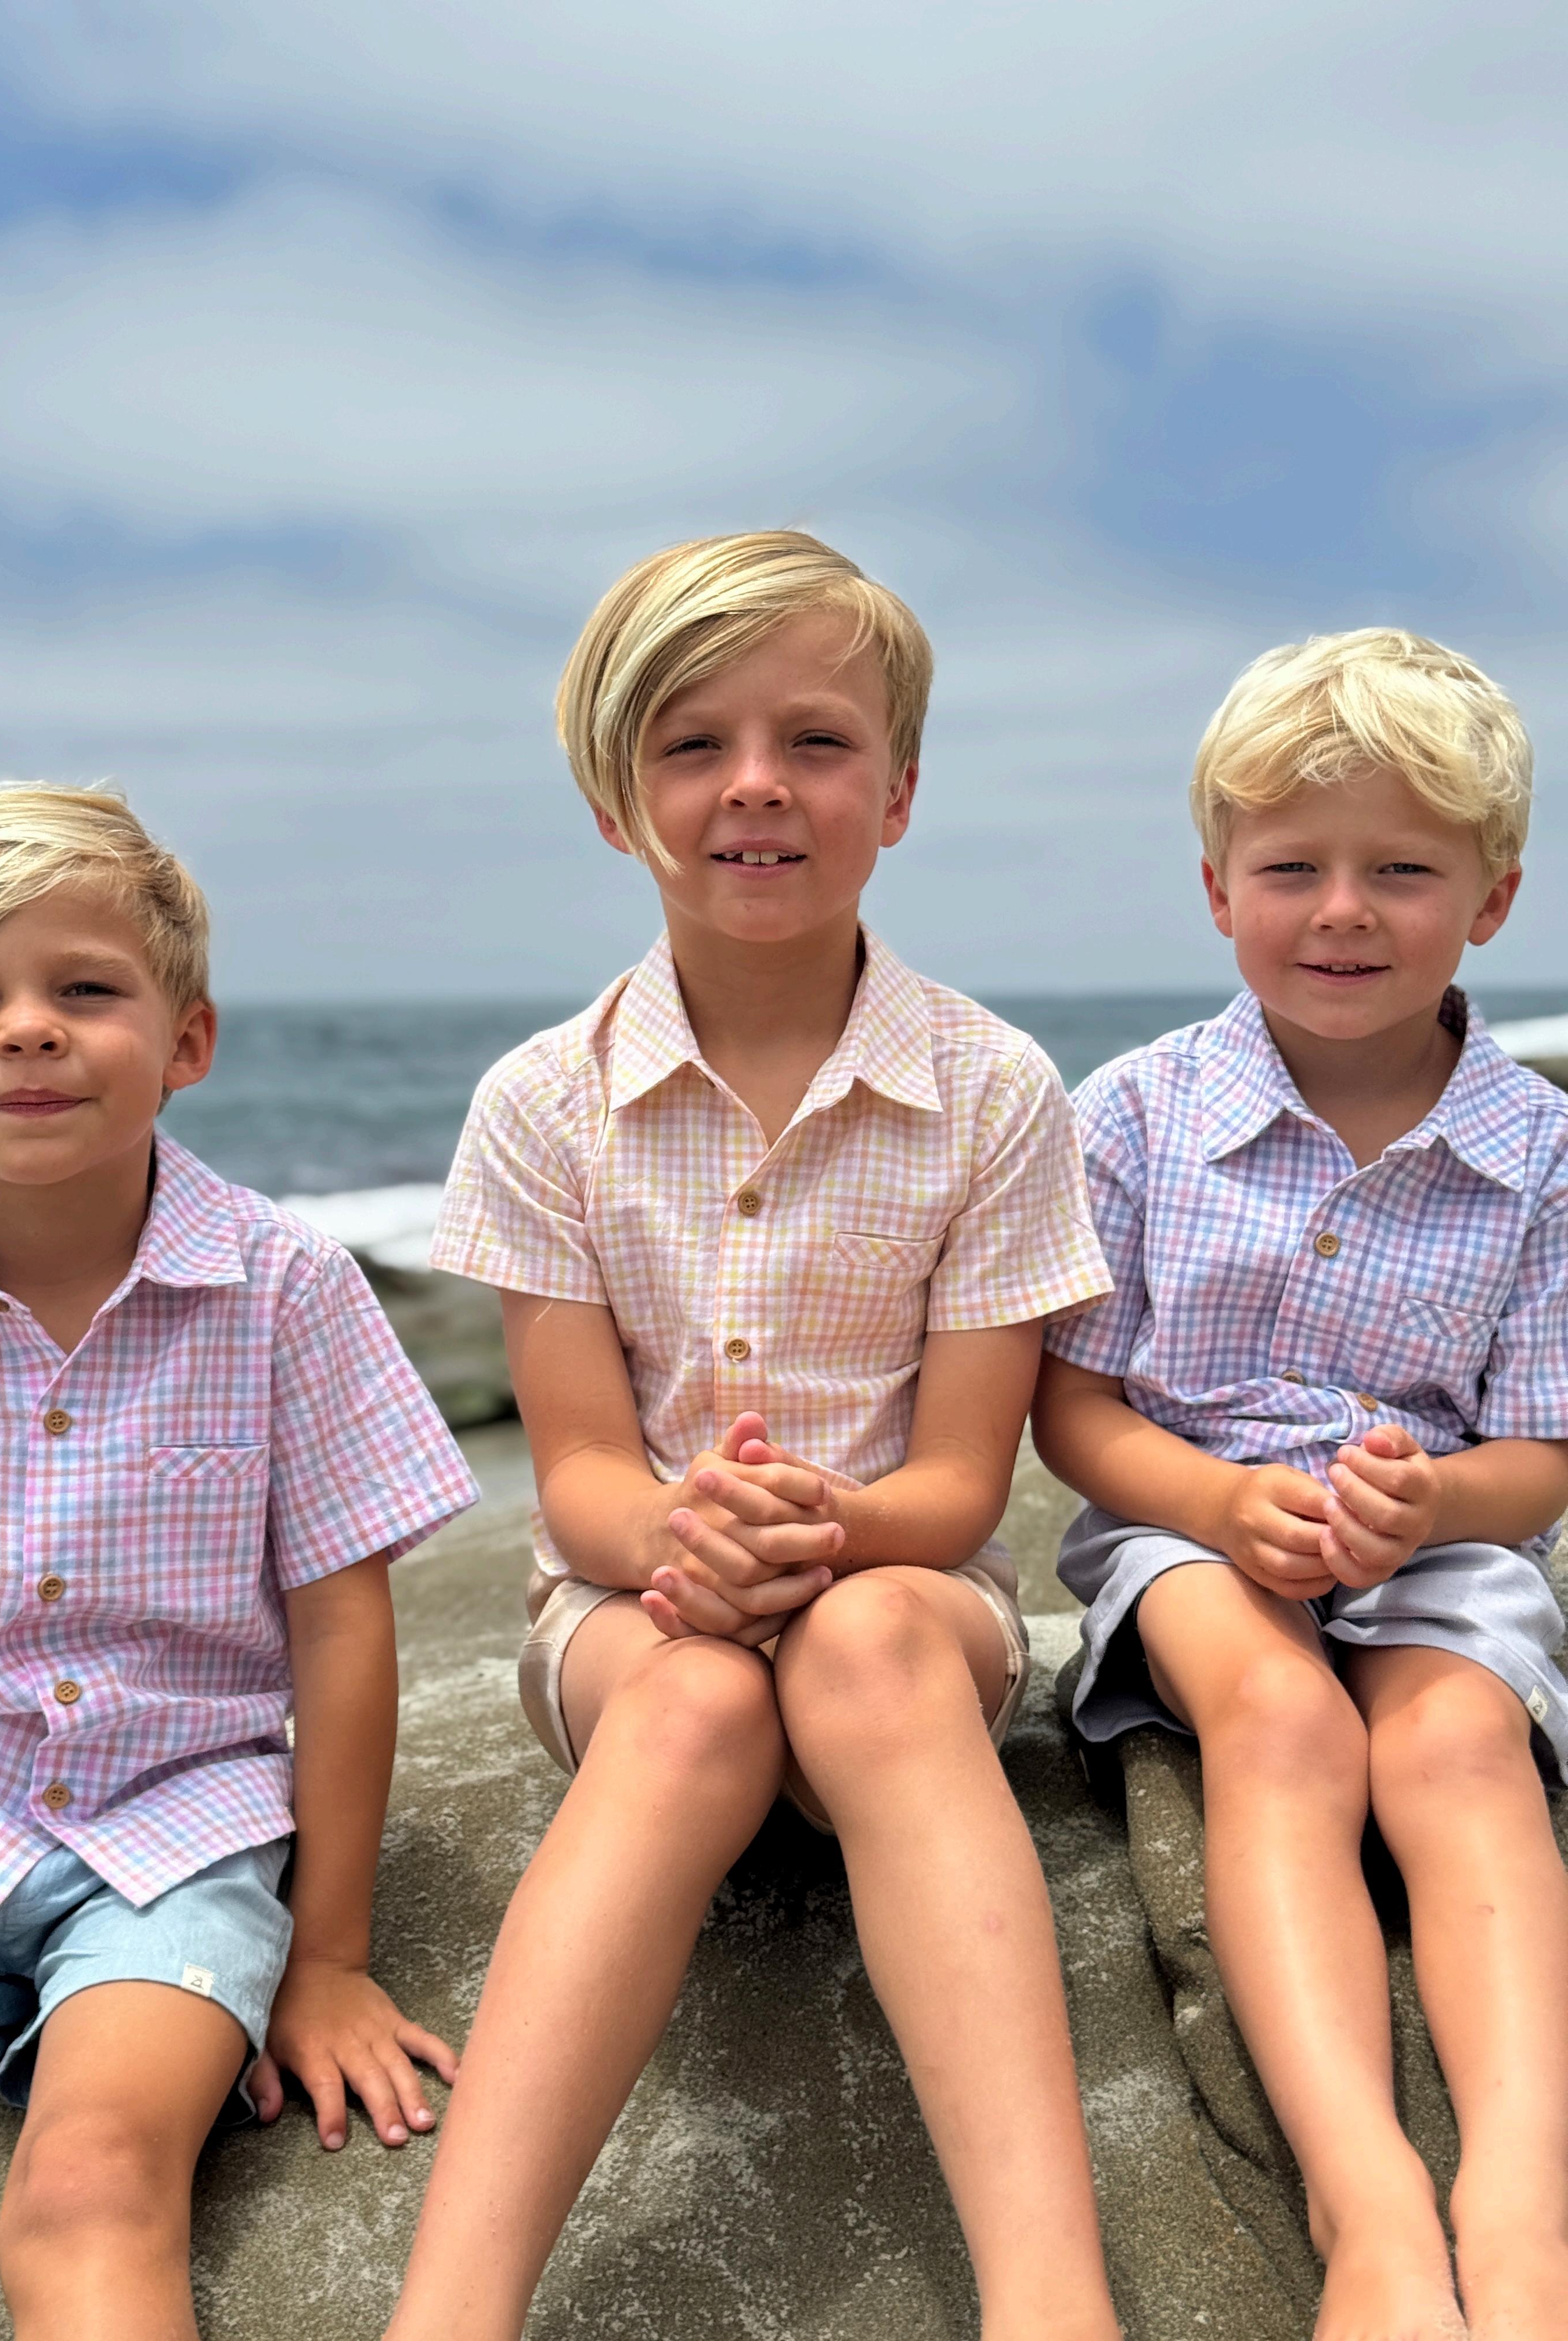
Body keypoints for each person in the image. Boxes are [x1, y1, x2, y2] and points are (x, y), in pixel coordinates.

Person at [387, 530, 1122, 2341]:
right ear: (616, 801)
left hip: (906, 1602)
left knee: (867, 1643)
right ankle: (449, 2312)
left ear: (900, 791)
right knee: (702, 1699)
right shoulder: (545, 1103)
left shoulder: (992, 1090)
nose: (758, 785)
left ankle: (1052, 2300)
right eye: (694, 745)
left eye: (817, 741)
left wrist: (819, 1540)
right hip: (638, 1619)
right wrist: (683, 1544)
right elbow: (578, 1480)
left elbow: (962, 1489)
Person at [0, 786, 476, 2340]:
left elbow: (342, 1631)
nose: (27, 1030)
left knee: (90, 2186)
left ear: (188, 1040)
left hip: (172, 1847)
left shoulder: (286, 1288)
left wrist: (330, 1958)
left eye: (86, 988)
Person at [1034, 629, 1568, 2340]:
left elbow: (1542, 1460)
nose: (1343, 911)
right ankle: (1367, 2202)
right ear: (1218, 890)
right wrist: (1210, 1506)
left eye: (1403, 870)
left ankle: (1525, 2205)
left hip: (1430, 1529)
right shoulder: (1132, 1116)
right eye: (1292, 870)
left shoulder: (1542, 1158)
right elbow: (1074, 1407)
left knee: (1463, 1745)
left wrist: (1437, 1509)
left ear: (1491, 900)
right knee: (1279, 1722)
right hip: (1188, 1523)